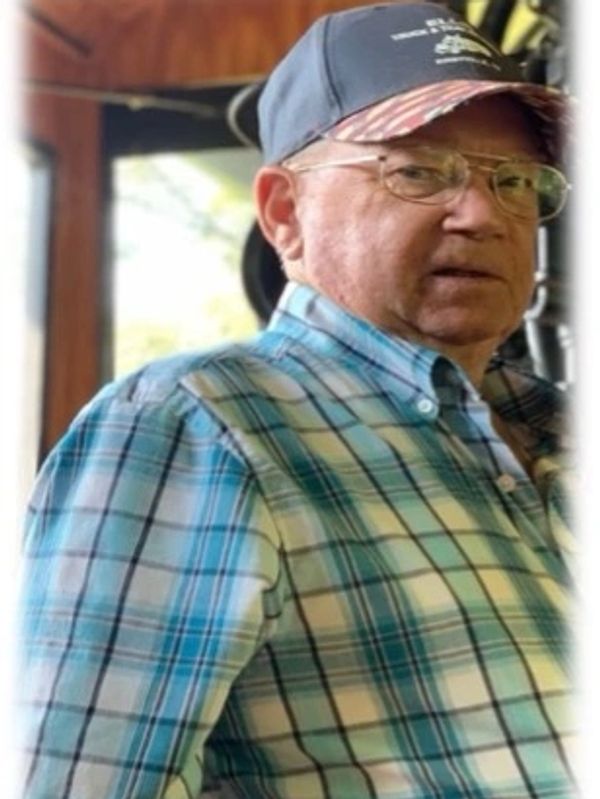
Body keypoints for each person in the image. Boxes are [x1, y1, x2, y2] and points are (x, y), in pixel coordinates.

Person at [19, 3, 575, 798]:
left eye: (513, 180)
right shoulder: (195, 426)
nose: (484, 213)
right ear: (285, 214)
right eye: (418, 171)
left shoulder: (555, 423)